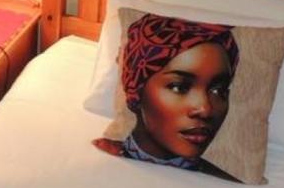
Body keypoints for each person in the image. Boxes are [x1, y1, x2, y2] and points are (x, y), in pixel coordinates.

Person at [94, 13, 239, 172]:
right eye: (178, 87)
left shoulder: (226, 179)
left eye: (218, 90)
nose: (205, 110)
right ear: (136, 90)